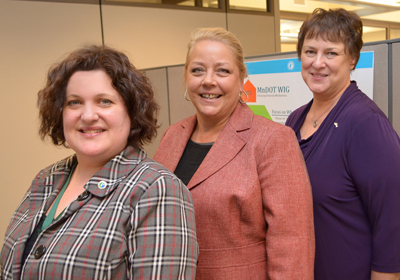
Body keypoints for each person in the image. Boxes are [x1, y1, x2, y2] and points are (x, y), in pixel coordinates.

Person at [0, 45, 198, 280]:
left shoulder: (156, 189)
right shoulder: (46, 179)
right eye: (74, 102)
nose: (88, 115)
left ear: (131, 111)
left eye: (104, 101)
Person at [154, 27, 315, 279]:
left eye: (222, 70)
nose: (208, 80)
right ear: (186, 77)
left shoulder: (272, 139)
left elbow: (292, 242)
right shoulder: (172, 135)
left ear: (241, 78)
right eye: (197, 70)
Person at [285, 8, 400, 280]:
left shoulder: (365, 124)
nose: (318, 63)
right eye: (310, 51)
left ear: (352, 59)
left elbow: (393, 220)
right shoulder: (293, 121)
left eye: (331, 53)